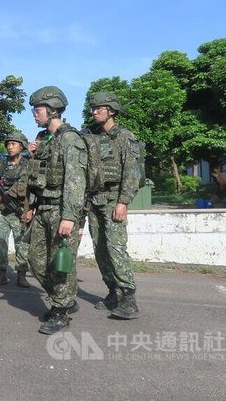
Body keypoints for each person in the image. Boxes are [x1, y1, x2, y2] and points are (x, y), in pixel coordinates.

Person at [25, 86, 87, 335]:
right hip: (43, 208)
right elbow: (35, 177)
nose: (34, 114)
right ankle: (65, 299)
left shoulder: (70, 139)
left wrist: (70, 217)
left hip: (62, 210)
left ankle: (60, 311)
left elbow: (75, 180)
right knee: (36, 259)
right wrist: (30, 206)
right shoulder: (43, 139)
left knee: (61, 264)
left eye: (37, 109)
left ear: (53, 110)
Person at [85, 92, 141, 319]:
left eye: (99, 108)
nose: (94, 112)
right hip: (94, 201)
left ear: (112, 111)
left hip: (113, 200)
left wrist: (123, 202)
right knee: (100, 249)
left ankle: (128, 297)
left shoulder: (125, 137)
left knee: (116, 248)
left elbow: (131, 172)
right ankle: (112, 291)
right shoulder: (91, 137)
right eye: (93, 108)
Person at [0, 131, 32, 288]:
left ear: (21, 146)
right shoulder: (0, 164)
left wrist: (30, 209)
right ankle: (1, 274)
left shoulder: (28, 165)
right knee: (0, 241)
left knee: (21, 244)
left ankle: (21, 275)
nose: (10, 147)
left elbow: (32, 191)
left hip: (20, 210)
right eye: (8, 144)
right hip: (2, 210)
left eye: (13, 144)